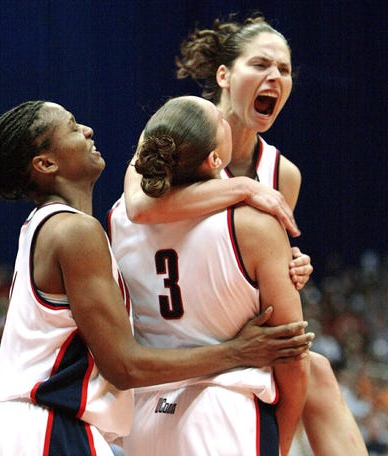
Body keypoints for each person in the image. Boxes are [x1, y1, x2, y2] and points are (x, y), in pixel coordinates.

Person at [0, 100, 314, 456]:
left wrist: (287, 259)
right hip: (45, 426)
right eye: (72, 127)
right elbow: (124, 366)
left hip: (37, 426)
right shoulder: (76, 232)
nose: (87, 130)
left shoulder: (78, 225)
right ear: (46, 163)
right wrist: (237, 351)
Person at [122, 14, 367, 455]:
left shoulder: (283, 174)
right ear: (223, 75)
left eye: (285, 70)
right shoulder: (178, 129)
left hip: (219, 334)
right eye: (260, 64)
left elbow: (263, 276)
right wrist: (245, 188)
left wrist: (293, 266)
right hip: (177, 349)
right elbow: (140, 206)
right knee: (305, 367)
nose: (275, 76)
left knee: (318, 369)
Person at [108, 95, 310, 455]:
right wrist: (282, 442)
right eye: (219, 117)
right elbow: (291, 352)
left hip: (142, 421)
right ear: (215, 159)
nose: (224, 114)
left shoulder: (117, 217)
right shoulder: (254, 224)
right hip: (224, 410)